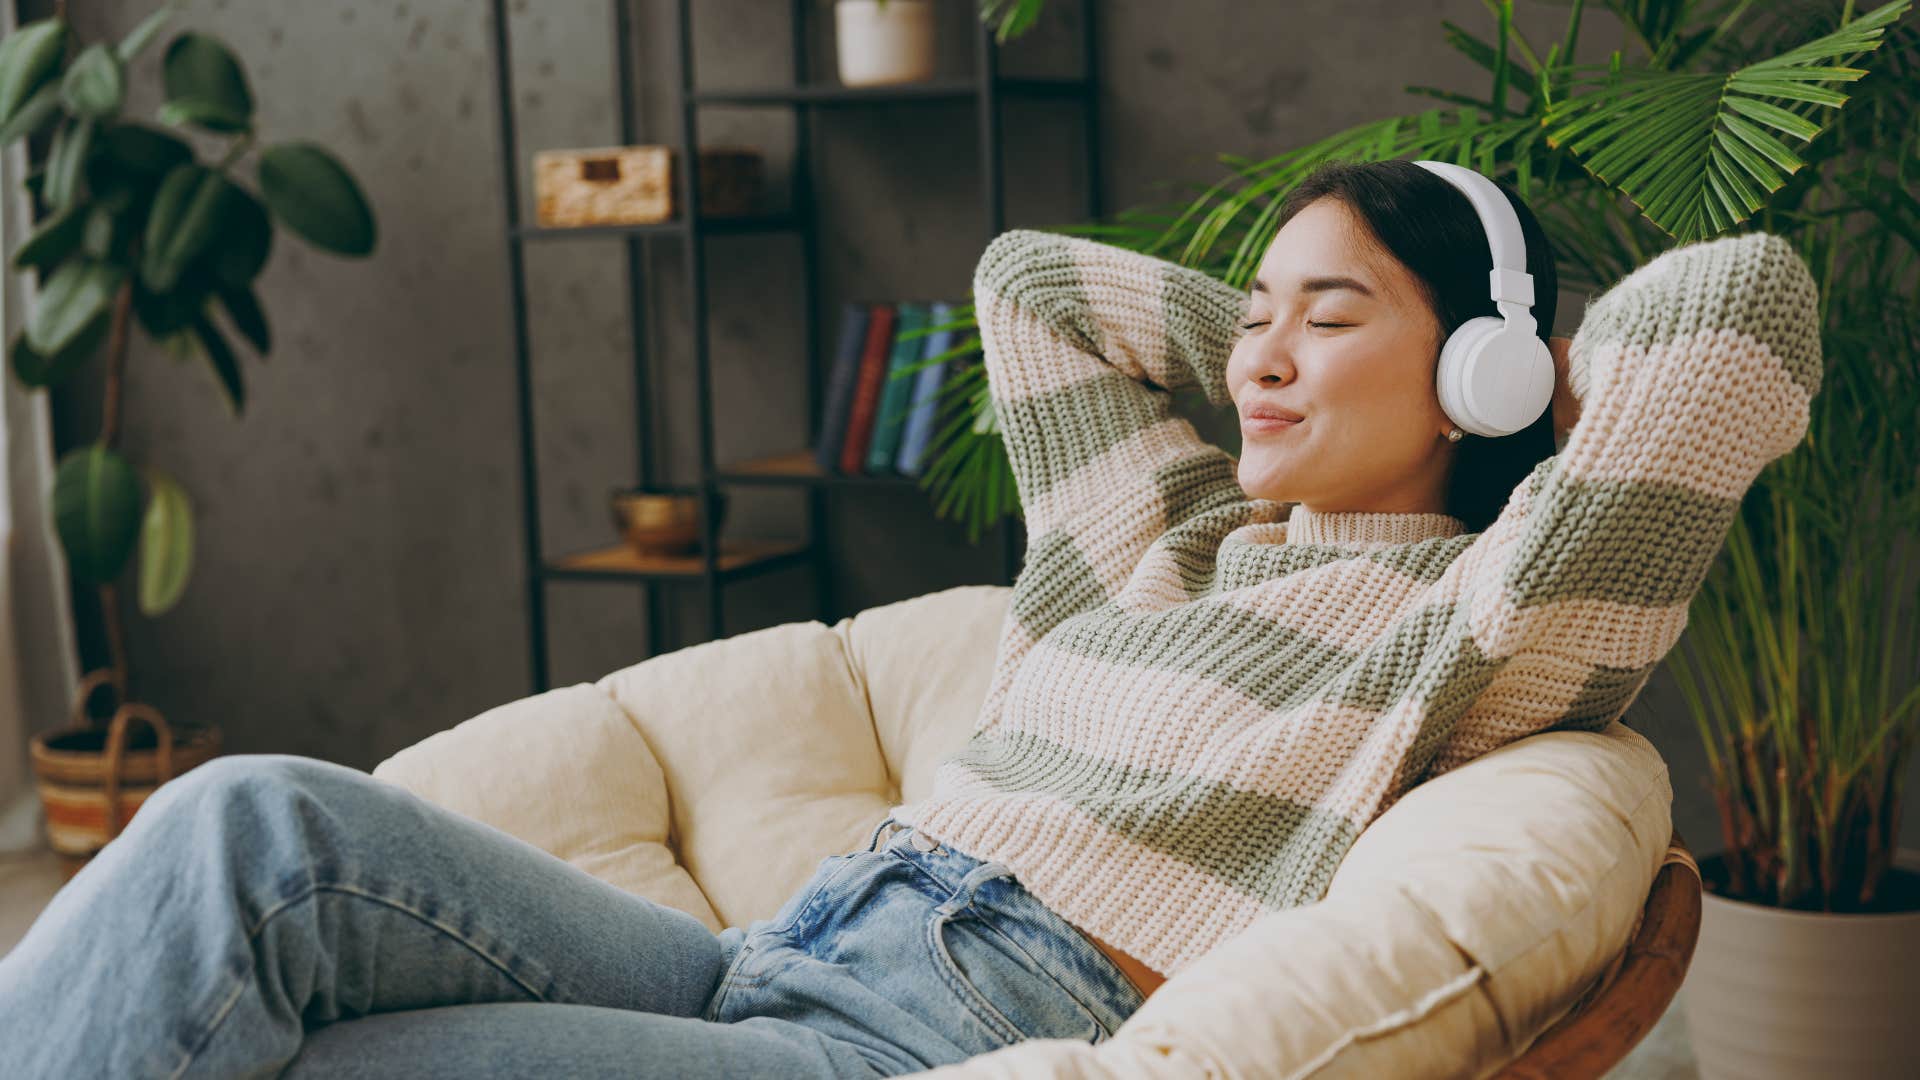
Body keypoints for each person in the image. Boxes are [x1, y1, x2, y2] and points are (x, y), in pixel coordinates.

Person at [0, 159, 1820, 1077]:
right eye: (1254, 312)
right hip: (776, 949)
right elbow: (1034, 289)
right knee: (249, 828)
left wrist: (1530, 386)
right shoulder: (1165, 546)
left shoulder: (1479, 624)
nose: (1260, 351)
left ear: (1486, 372)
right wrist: (1286, 351)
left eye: (1330, 314)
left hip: (905, 1040)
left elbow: (1744, 317)